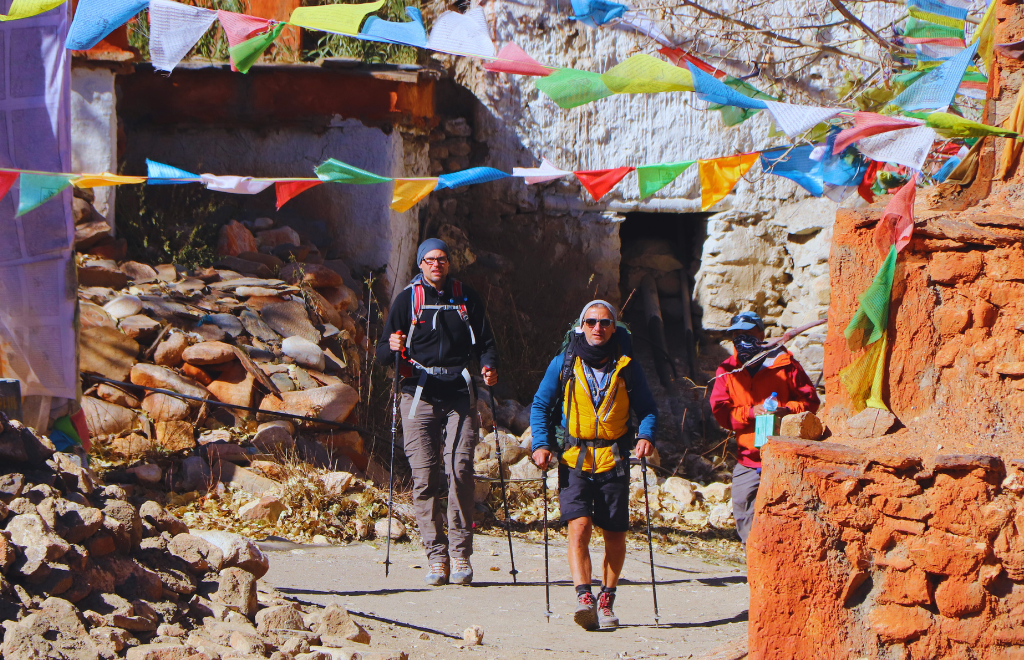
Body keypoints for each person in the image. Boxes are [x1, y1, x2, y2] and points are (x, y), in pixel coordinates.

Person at [376, 238, 498, 586]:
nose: (436, 265)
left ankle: (460, 553)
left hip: (460, 394)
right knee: (425, 477)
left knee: (459, 470)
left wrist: (489, 367)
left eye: (441, 259)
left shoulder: (465, 297)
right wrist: (393, 347)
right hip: (419, 395)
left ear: (448, 263)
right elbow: (383, 354)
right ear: (420, 264)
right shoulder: (407, 300)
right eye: (429, 259)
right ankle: (436, 556)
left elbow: (486, 343)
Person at [530, 300, 658, 631]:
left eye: (604, 322)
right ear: (580, 327)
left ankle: (607, 598)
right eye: (590, 322)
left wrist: (646, 435)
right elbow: (541, 405)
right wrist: (543, 444)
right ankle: (584, 597)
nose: (597, 328)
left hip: (613, 458)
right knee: (580, 526)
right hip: (574, 457)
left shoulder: (627, 366)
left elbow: (647, 408)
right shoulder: (564, 363)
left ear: (614, 327)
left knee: (614, 533)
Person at [709, 311, 820, 544]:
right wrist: (750, 412)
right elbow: (720, 412)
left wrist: (785, 410)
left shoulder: (785, 364)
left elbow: (810, 402)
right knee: (742, 508)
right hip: (748, 457)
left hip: (785, 457)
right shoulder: (727, 370)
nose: (742, 340)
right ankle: (756, 560)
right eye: (737, 335)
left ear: (761, 334)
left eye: (748, 334)